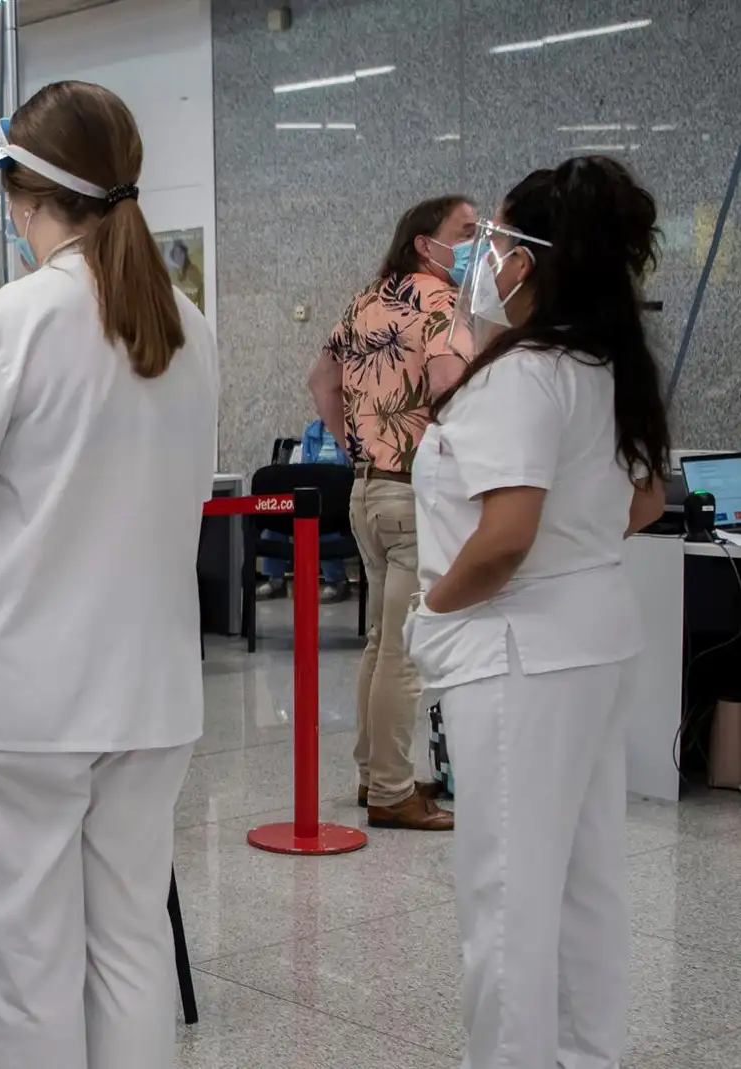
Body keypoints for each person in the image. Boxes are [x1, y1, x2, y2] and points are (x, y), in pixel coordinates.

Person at [0, 81, 218, 1068]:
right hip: (150, 691)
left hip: (20, 701)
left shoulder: (3, 327)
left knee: (28, 962)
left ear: (19, 193)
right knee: (130, 944)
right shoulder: (188, 327)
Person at [404, 156, 671, 1069]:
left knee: (510, 894)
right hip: (594, 641)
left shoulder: (522, 375)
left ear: (531, 261)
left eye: (499, 239)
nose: (486, 253)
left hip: (519, 648)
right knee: (586, 882)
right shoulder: (605, 366)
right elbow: (640, 505)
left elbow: (506, 533)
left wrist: (433, 605)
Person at [307, 193, 477, 832]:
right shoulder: (441, 306)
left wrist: (355, 442)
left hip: (366, 492)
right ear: (423, 242)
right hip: (413, 494)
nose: (474, 244)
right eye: (464, 232)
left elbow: (320, 380)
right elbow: (448, 388)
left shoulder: (365, 301)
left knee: (380, 642)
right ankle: (392, 791)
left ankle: (371, 773)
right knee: (403, 651)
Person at [257, 418, 354, 603]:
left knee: (325, 521)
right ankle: (275, 580)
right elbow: (305, 465)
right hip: (313, 492)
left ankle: (336, 581)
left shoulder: (352, 429)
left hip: (339, 498)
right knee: (276, 522)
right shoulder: (312, 431)